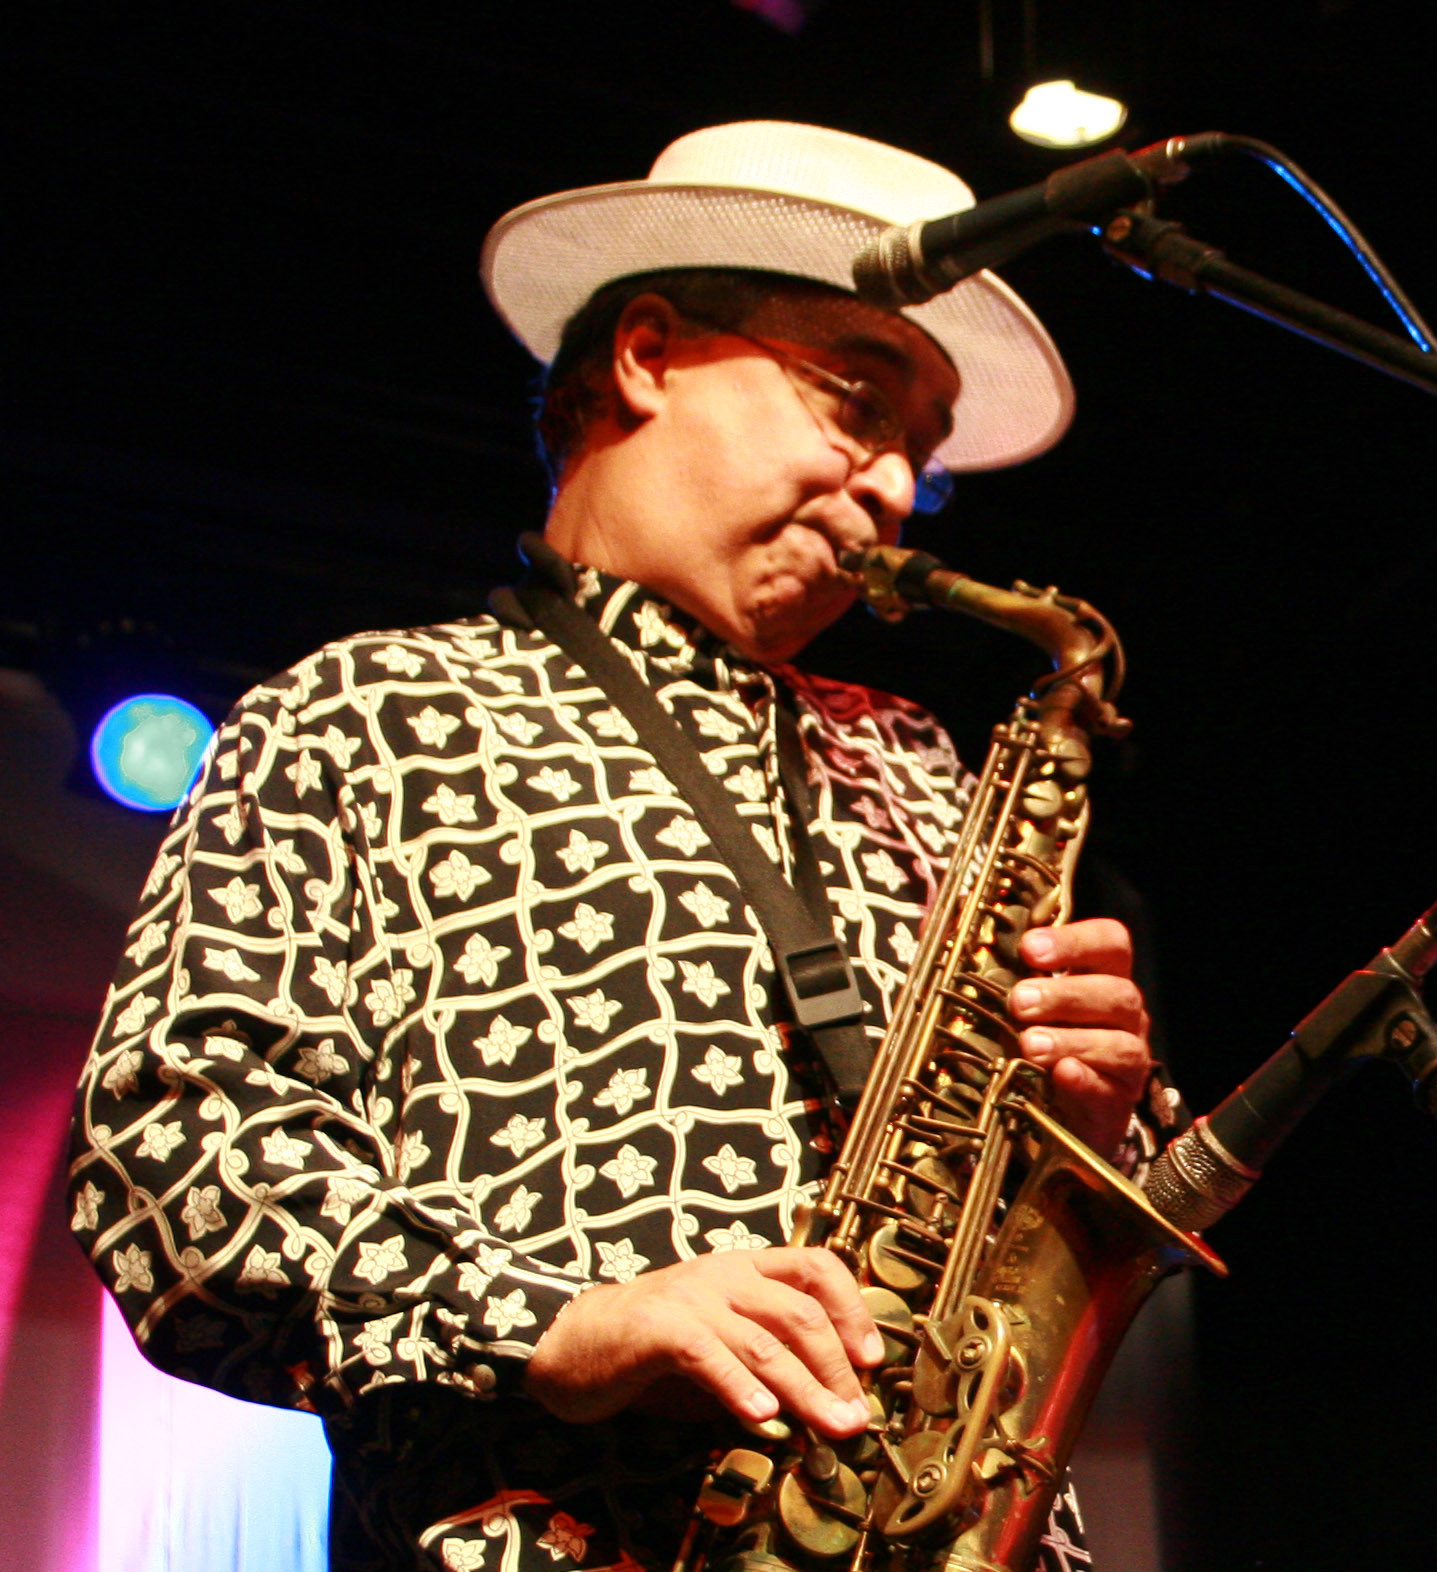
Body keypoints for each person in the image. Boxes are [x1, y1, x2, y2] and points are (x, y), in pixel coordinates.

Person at [67, 121, 1159, 1572]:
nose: (897, 487)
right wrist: (556, 1318)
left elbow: (1049, 1244)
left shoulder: (922, 760)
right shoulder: (364, 712)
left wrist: (1088, 1124)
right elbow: (169, 1157)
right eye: (855, 399)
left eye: (925, 457)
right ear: (646, 353)